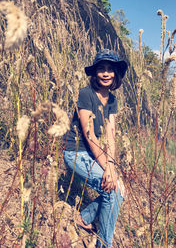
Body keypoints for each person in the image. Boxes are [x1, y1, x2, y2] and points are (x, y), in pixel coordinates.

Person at [64, 49, 128, 247]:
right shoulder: (86, 94)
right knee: (112, 191)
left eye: (110, 69)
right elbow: (89, 134)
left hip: (95, 153)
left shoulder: (112, 100)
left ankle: (84, 218)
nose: (106, 73)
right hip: (77, 153)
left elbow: (110, 134)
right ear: (95, 73)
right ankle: (104, 244)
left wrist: (112, 167)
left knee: (120, 189)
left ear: (116, 74)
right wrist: (108, 169)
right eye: (102, 69)